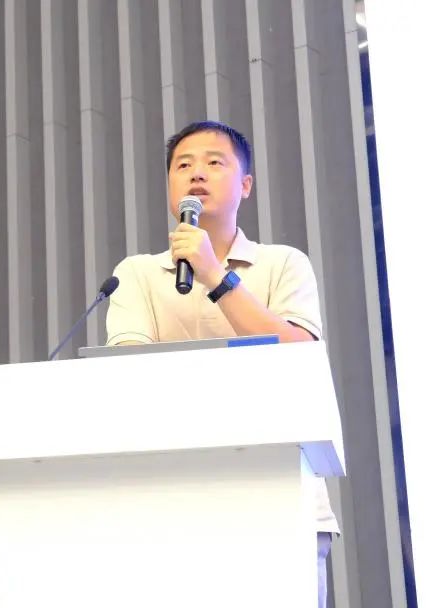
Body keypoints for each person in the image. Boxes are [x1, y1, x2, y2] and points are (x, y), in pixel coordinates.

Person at [105, 120, 339, 607]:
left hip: (279, 494)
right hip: (168, 503)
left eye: (214, 162)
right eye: (183, 165)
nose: (197, 174)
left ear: (246, 185)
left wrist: (215, 275)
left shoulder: (284, 264)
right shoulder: (136, 274)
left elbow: (299, 358)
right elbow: (127, 378)